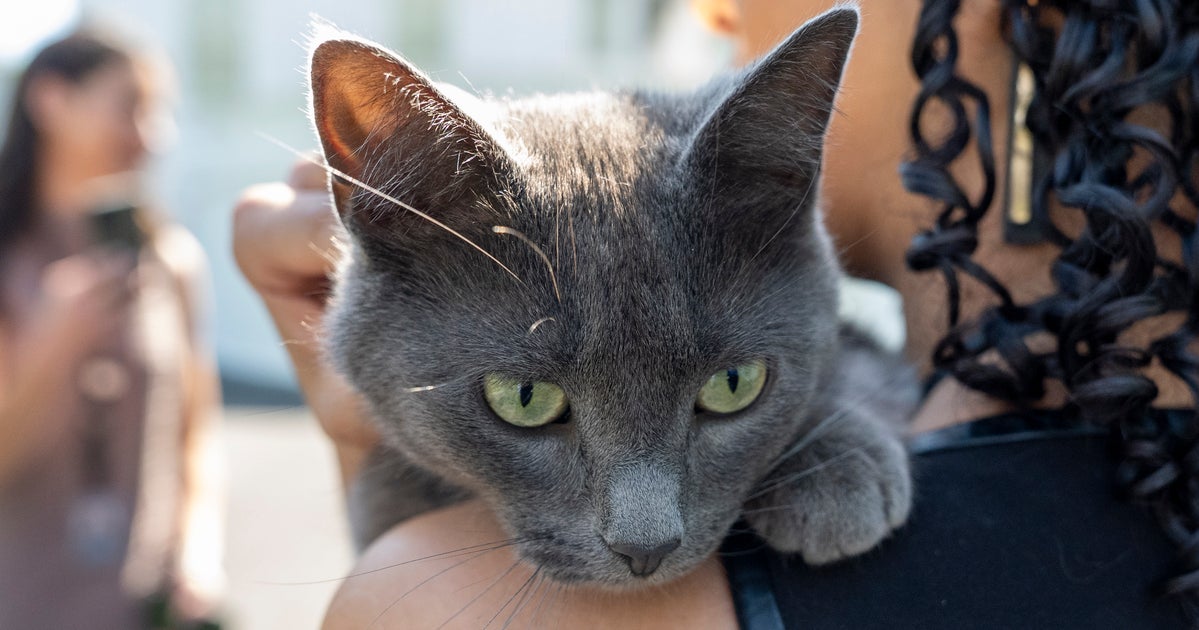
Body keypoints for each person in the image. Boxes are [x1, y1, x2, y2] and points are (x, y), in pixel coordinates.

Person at [234, 0, 1198, 626]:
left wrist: (389, 515)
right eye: (528, 400)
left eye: (729, 389)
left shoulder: (439, 598)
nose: (643, 531)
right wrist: (374, 437)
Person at [0, 30, 225, 628]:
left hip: (144, 604)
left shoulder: (171, 261)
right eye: (131, 106)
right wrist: (52, 344)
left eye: (159, 112)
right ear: (51, 101)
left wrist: (199, 554)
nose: (154, 136)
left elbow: (195, 436)